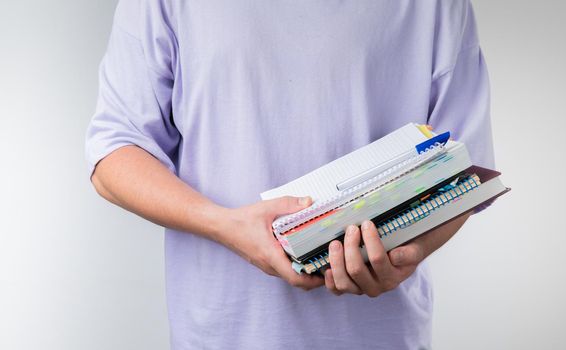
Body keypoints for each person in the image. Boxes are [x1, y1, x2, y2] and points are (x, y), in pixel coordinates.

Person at [85, 0, 494, 348]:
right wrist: (223, 225)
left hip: (380, 334)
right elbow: (116, 151)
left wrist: (411, 249)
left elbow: (464, 166)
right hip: (224, 334)